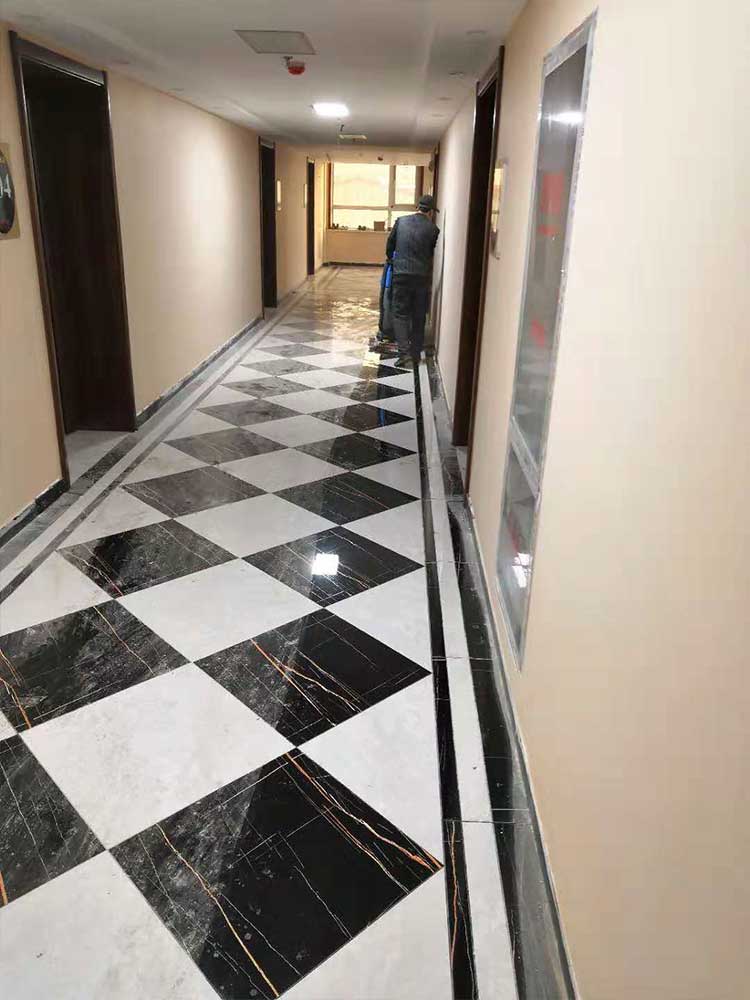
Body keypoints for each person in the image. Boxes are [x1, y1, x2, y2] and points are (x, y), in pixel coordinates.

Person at [385, 193, 440, 366]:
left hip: (401, 274)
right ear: (431, 212)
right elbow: (429, 254)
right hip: (421, 277)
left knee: (400, 313)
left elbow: (390, 244)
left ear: (418, 207)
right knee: (419, 314)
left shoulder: (401, 221)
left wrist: (392, 259)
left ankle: (404, 355)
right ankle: (416, 354)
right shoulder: (434, 230)